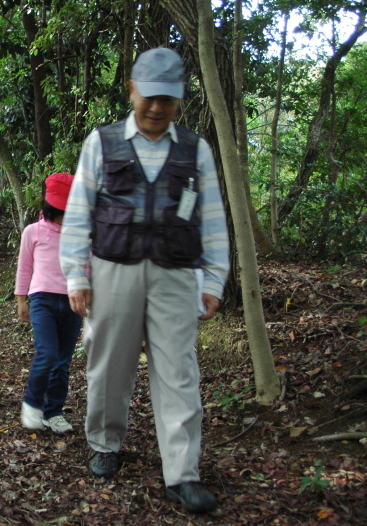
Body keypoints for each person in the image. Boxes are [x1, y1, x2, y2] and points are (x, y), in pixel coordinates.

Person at [59, 48, 229, 514]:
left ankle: (183, 473)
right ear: (132, 90)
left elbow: (212, 217)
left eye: (167, 100)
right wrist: (75, 274)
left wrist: (214, 278)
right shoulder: (103, 142)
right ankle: (105, 442)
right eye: (149, 97)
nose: (156, 108)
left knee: (178, 370)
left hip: (177, 273)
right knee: (108, 361)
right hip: (112, 270)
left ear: (180, 101)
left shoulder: (196, 149)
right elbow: (78, 213)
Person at [16, 173, 83, 434]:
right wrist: (22, 300)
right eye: (60, 210)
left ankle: (53, 411)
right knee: (47, 353)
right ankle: (32, 403)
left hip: (72, 302)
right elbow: (24, 268)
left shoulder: (79, 233)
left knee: (63, 361)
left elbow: (86, 266)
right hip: (42, 299)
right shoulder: (33, 231)